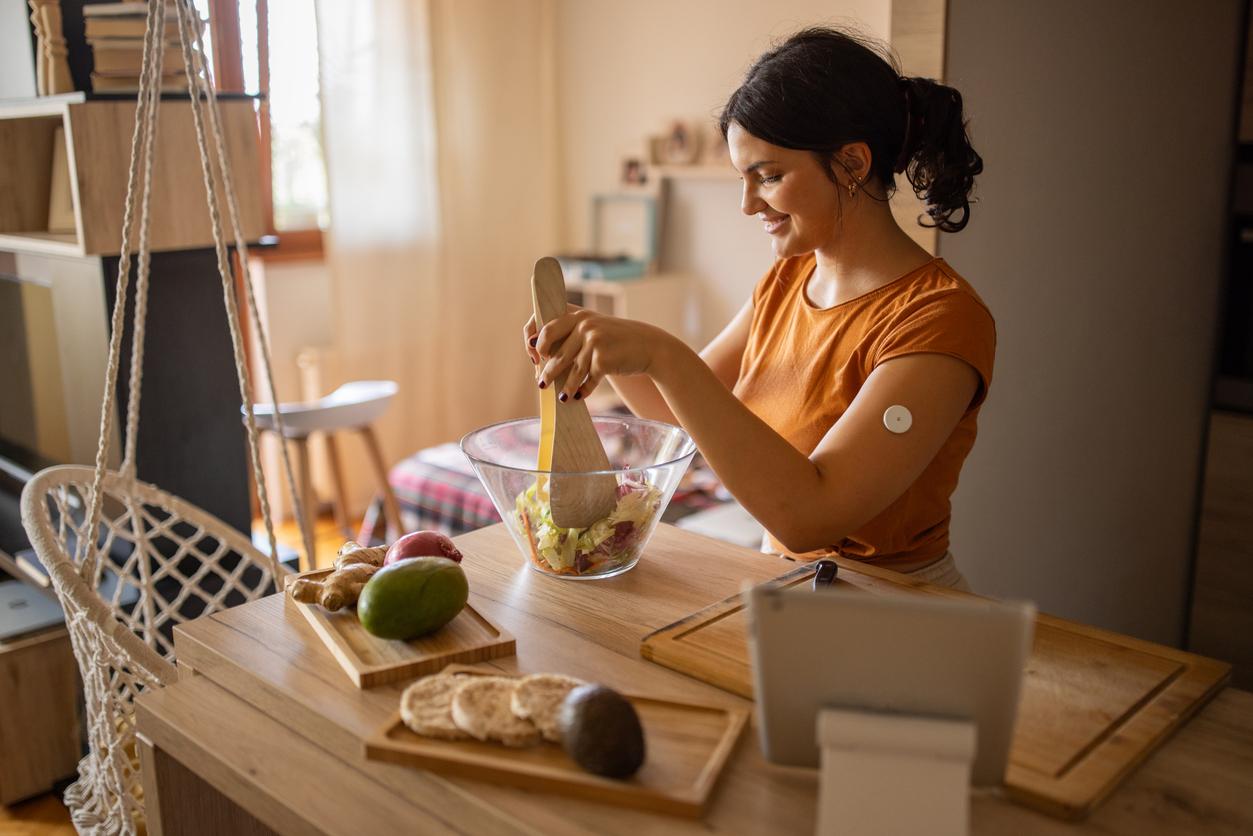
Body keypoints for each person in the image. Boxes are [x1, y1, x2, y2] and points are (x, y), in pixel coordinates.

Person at [524, 27, 990, 589]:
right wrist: (608, 348)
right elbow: (682, 419)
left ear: (852, 163)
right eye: (743, 179)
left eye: (768, 177)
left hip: (897, 607)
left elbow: (811, 515)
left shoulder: (940, 318)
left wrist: (662, 352)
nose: (748, 205)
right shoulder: (788, 280)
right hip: (785, 589)